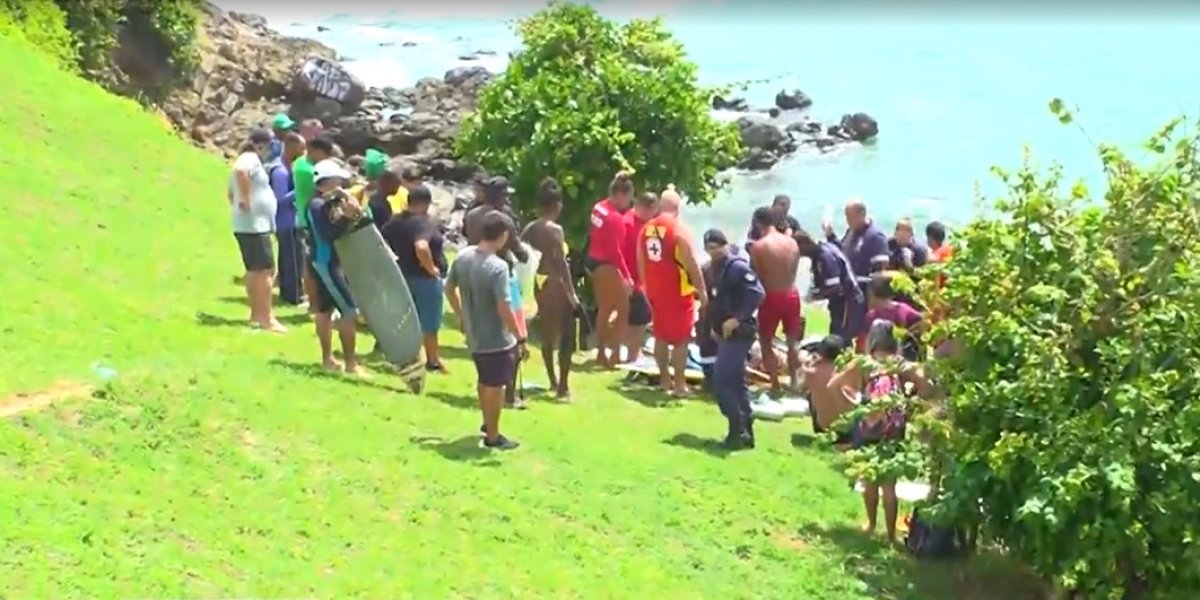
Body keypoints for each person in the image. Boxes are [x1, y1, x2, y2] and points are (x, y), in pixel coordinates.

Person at [829, 319, 936, 542]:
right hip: (894, 426)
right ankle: (890, 534)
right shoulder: (900, 364)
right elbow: (928, 386)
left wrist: (855, 405)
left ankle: (870, 525)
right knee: (889, 483)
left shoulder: (864, 363)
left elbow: (834, 385)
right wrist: (910, 403)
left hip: (869, 424)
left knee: (869, 477)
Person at [445, 211, 526, 450]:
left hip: (474, 332)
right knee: (496, 385)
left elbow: (449, 289)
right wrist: (519, 334)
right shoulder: (498, 267)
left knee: (484, 379)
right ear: (502, 236)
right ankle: (493, 435)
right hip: (495, 336)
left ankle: (487, 422)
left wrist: (462, 316)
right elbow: (504, 305)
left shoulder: (463, 257)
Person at [639, 186, 706, 396]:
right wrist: (702, 289)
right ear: (677, 208)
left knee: (660, 335)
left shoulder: (646, 228)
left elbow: (640, 261)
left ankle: (664, 381)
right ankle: (679, 385)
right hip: (678, 290)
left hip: (655, 290)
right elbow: (691, 262)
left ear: (660, 205)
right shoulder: (678, 229)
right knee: (681, 339)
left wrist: (645, 287)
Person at [306, 159, 369, 374]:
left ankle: (328, 360)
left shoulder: (331, 203)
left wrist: (353, 210)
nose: (341, 183)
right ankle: (350, 363)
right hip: (327, 263)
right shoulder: (317, 205)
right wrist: (347, 217)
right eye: (337, 180)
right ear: (327, 182)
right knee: (349, 312)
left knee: (325, 310)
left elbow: (353, 225)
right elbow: (328, 234)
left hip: (330, 261)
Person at [704, 229, 765, 449]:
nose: (713, 252)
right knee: (737, 382)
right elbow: (715, 301)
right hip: (724, 332)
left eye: (717, 247)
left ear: (725, 245)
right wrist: (715, 327)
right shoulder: (713, 269)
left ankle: (736, 426)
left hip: (741, 332)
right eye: (709, 249)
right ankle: (745, 430)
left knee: (721, 381)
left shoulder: (737, 267)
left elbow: (757, 294)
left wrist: (737, 319)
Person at [522, 177, 580, 399]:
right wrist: (572, 294)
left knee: (548, 336)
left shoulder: (529, 229)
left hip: (538, 284)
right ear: (557, 206)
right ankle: (563, 386)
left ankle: (553, 381)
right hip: (556, 285)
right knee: (566, 335)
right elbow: (561, 263)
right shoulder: (555, 230)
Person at [381, 184, 449, 372]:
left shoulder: (395, 222)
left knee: (403, 319)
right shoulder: (423, 223)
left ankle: (404, 357)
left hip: (401, 276)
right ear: (425, 204)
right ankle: (432, 360)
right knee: (429, 322)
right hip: (424, 279)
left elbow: (381, 241)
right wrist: (431, 268)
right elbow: (421, 246)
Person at [229, 128, 286, 332]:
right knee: (265, 271)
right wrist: (244, 199)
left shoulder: (250, 160)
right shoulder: (249, 158)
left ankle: (256, 314)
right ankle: (266, 317)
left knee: (255, 270)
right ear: (259, 144)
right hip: (254, 226)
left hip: (250, 224)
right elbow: (240, 173)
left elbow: (229, 192)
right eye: (270, 144)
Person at [747, 206, 804, 395]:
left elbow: (757, 276)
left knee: (765, 341)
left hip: (771, 296)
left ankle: (775, 384)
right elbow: (794, 270)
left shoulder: (759, 247)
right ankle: (795, 381)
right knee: (792, 340)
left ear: (757, 223)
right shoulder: (792, 243)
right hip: (792, 293)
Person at [586, 171, 636, 368]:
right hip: (606, 263)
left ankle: (601, 351)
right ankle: (612, 354)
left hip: (592, 259)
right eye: (628, 198)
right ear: (620, 195)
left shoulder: (599, 207)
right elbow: (616, 251)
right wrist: (627, 276)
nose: (628, 203)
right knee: (622, 310)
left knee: (604, 308)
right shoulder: (615, 218)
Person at [823, 199, 889, 339]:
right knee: (842, 329)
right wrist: (830, 236)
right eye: (846, 216)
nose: (848, 221)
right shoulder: (851, 232)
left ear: (862, 214)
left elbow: (880, 271)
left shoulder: (875, 237)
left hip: (864, 294)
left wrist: (874, 299)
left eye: (850, 217)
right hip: (847, 293)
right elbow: (842, 254)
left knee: (859, 332)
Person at [295, 136, 336, 313]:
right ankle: (315, 304)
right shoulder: (310, 170)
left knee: (309, 264)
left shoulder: (299, 163)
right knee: (313, 265)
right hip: (311, 220)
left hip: (304, 218)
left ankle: (314, 303)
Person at [795, 228, 861, 339]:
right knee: (836, 331)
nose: (799, 254)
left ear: (804, 245)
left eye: (798, 250)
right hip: (840, 300)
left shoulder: (825, 256)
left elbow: (835, 287)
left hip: (847, 300)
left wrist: (814, 297)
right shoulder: (821, 252)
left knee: (840, 335)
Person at [270, 132, 307, 306]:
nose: (303, 151)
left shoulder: (289, 167)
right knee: (292, 260)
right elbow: (280, 198)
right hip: (285, 221)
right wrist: (301, 189)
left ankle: (288, 293)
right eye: (301, 148)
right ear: (290, 147)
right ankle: (294, 296)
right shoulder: (280, 172)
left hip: (291, 220)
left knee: (291, 258)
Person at [623, 191, 659, 363]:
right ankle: (633, 354)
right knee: (640, 317)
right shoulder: (629, 223)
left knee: (637, 317)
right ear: (647, 208)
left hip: (638, 277)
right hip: (631, 278)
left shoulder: (642, 223)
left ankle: (633, 352)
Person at [799, 334, 853, 442]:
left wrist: (806, 364)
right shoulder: (847, 371)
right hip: (846, 429)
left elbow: (800, 387)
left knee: (810, 394)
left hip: (822, 427)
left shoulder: (812, 372)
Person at [858, 274, 925, 360]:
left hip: (879, 357)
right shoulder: (903, 309)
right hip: (902, 357)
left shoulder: (872, 315)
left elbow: (866, 340)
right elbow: (922, 320)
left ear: (872, 295)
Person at [367, 165, 402, 232]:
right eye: (397, 182)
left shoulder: (382, 201)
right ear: (387, 183)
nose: (399, 186)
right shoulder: (376, 204)